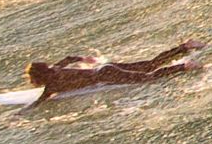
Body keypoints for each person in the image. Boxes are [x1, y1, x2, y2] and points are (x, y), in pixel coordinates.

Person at [21, 39, 202, 103]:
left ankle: (184, 66)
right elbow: (69, 58)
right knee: (149, 64)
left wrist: (19, 114)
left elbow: (40, 101)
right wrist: (85, 59)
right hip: (103, 68)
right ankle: (185, 47)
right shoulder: (56, 70)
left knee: (148, 77)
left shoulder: (51, 86)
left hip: (105, 74)